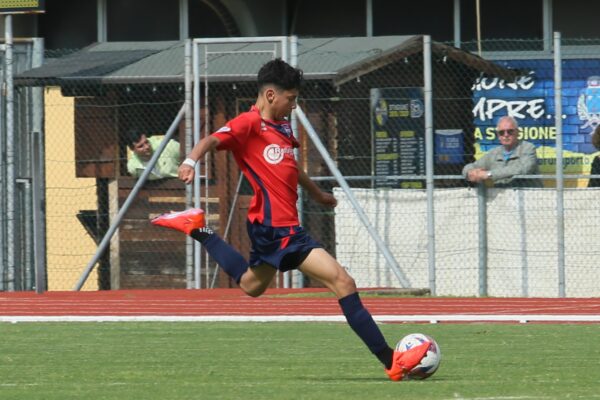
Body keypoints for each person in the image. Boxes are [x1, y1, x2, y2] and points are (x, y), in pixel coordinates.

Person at [151, 59, 428, 381]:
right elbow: (211, 140)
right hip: (277, 228)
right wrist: (189, 161)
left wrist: (314, 193)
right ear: (271, 95)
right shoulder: (248, 124)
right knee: (343, 282)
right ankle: (391, 361)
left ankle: (199, 229)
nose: (294, 106)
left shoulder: (281, 126)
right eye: (291, 99)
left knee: (251, 286)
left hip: (275, 227)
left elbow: (289, 167)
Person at [463, 116, 542, 188]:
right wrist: (470, 173)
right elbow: (470, 166)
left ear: (517, 132)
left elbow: (523, 169)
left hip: (528, 198)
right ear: (498, 136)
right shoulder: (493, 153)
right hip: (502, 200)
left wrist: (488, 174)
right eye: (501, 132)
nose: (506, 135)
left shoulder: (528, 147)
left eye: (510, 131)